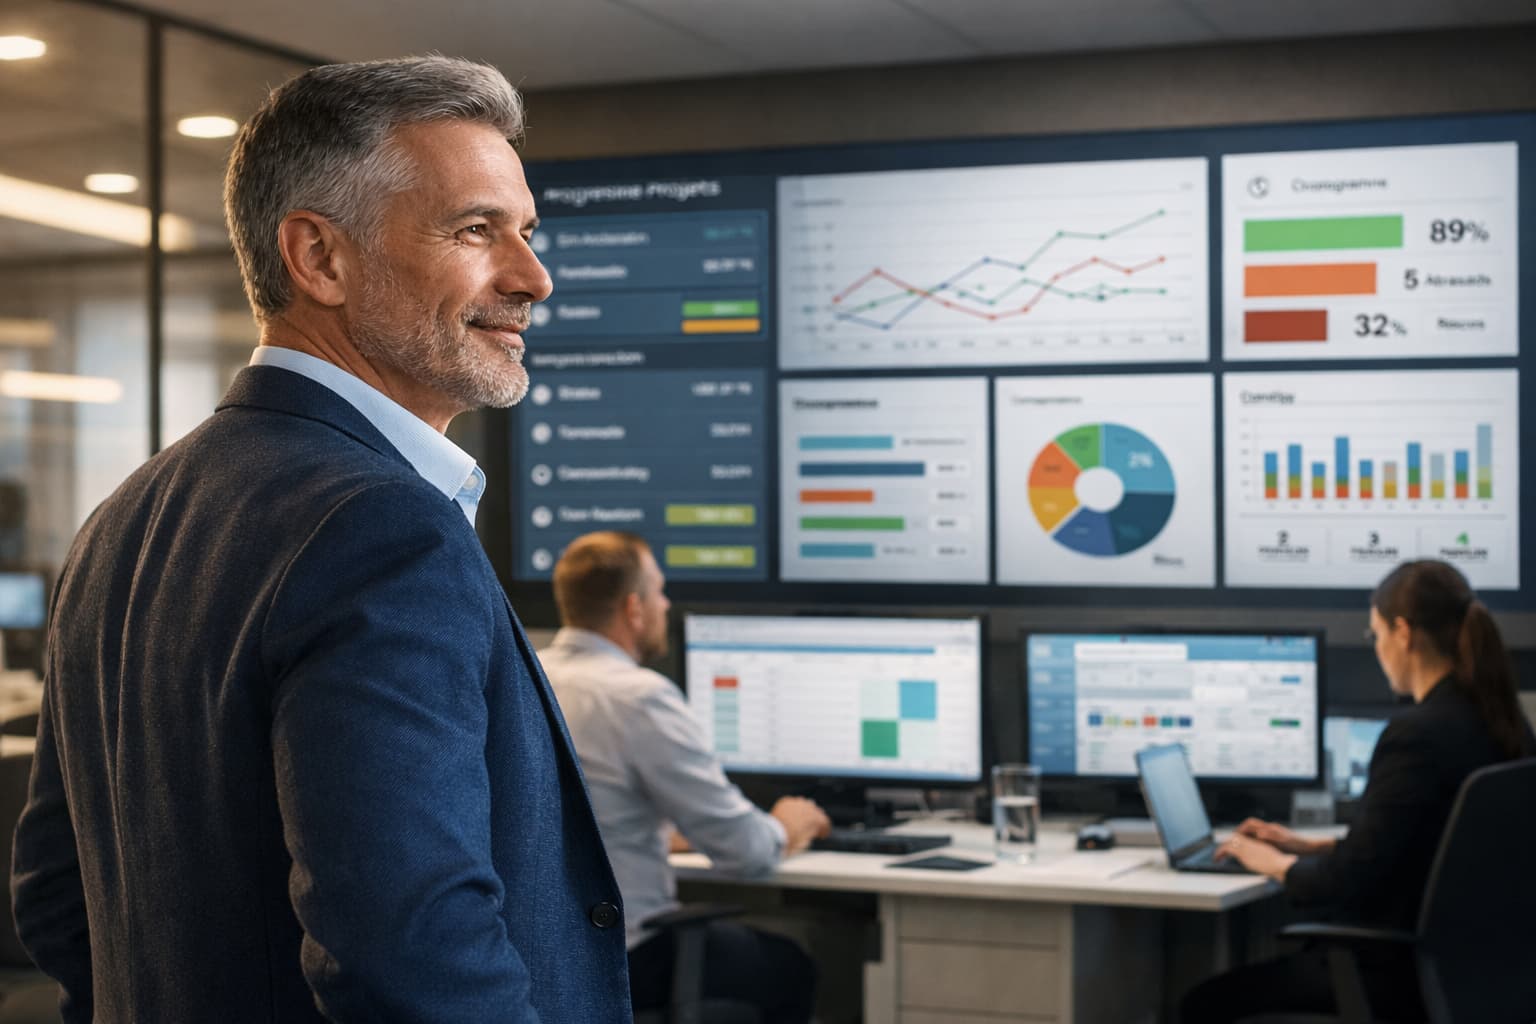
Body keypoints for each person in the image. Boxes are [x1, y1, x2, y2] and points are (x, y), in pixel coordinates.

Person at [10, 57, 630, 1023]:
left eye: (527, 232)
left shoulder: (124, 516)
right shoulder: (385, 529)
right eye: (476, 230)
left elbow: (57, 895)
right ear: (319, 259)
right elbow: (411, 957)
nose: (533, 277)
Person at [1182, 559, 1535, 1023]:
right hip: (1468, 973)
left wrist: (1268, 860)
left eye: (1376, 634)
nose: (1378, 649)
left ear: (1403, 633)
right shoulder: (1501, 723)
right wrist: (1310, 845)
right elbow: (1429, 842)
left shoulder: (1417, 736)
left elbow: (1348, 882)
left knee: (1200, 1005)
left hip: (1388, 974)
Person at [540, 531, 831, 1024]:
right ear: (634, 608)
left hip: (540, 957)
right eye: (659, 591)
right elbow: (748, 853)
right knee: (790, 965)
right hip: (622, 955)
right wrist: (787, 824)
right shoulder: (637, 697)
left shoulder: (529, 674)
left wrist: (651, 833)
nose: (666, 604)